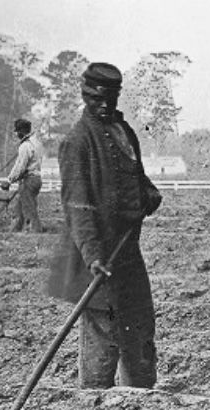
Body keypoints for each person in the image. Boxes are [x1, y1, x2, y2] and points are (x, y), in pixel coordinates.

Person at [45, 62, 163, 388]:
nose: (103, 105)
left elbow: (138, 178)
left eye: (109, 99)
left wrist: (149, 194)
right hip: (96, 258)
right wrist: (93, 256)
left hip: (128, 254)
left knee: (139, 327)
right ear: (85, 96)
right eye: (96, 99)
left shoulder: (125, 132)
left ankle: (140, 399)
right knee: (105, 332)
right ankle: (94, 402)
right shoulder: (77, 141)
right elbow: (77, 207)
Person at [1, 117, 44, 234]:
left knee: (29, 207)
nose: (16, 134)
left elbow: (20, 167)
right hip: (37, 179)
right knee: (20, 207)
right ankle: (15, 229)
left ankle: (36, 231)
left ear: (21, 131)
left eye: (17, 132)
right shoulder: (37, 143)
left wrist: (9, 181)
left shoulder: (25, 146)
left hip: (29, 180)